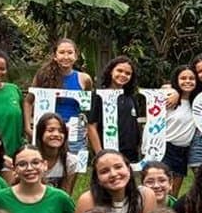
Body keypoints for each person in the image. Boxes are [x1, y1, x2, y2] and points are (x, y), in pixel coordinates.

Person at [23, 37, 93, 181]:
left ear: (76, 56)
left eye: (70, 52)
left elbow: (87, 107)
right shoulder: (42, 76)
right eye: (62, 52)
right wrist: (28, 127)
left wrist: (87, 128)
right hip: (48, 130)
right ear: (55, 56)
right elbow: (28, 101)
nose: (66, 56)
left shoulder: (84, 79)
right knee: (43, 171)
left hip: (74, 132)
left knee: (71, 171)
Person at [87, 55, 145, 162]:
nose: (123, 75)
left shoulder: (131, 97)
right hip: (108, 153)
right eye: (119, 70)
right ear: (111, 71)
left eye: (128, 73)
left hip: (131, 155)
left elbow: (135, 124)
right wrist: (100, 154)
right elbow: (91, 127)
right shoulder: (99, 95)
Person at [158, 63, 200, 188]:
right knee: (162, 188)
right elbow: (161, 90)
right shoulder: (168, 98)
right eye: (183, 78)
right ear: (176, 80)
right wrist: (174, 91)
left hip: (184, 150)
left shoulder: (197, 102)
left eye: (191, 78)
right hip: (165, 148)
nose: (187, 81)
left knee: (174, 193)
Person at [33, 112, 76, 194]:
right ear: (40, 133)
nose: (56, 134)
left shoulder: (70, 161)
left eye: (61, 131)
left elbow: (66, 194)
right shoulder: (30, 159)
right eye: (50, 130)